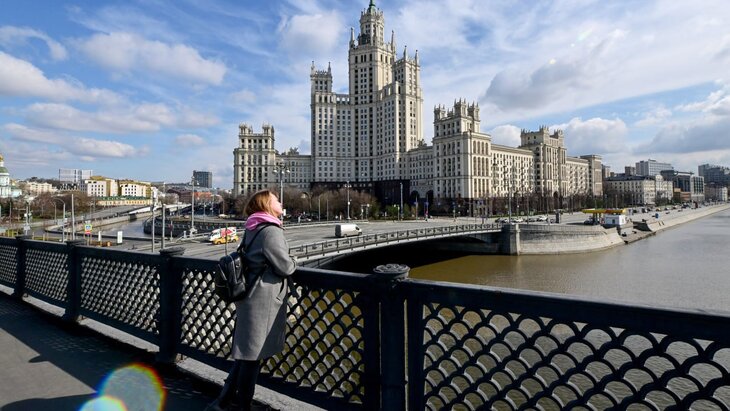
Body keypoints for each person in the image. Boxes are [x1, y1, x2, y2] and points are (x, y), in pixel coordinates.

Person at [206, 190, 296, 411]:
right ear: (267, 204)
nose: (280, 202)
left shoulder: (253, 227)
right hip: (262, 300)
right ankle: (243, 406)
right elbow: (285, 267)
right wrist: (294, 260)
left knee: (246, 356)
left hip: (250, 296)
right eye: (276, 199)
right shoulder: (271, 231)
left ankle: (225, 401)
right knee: (251, 357)